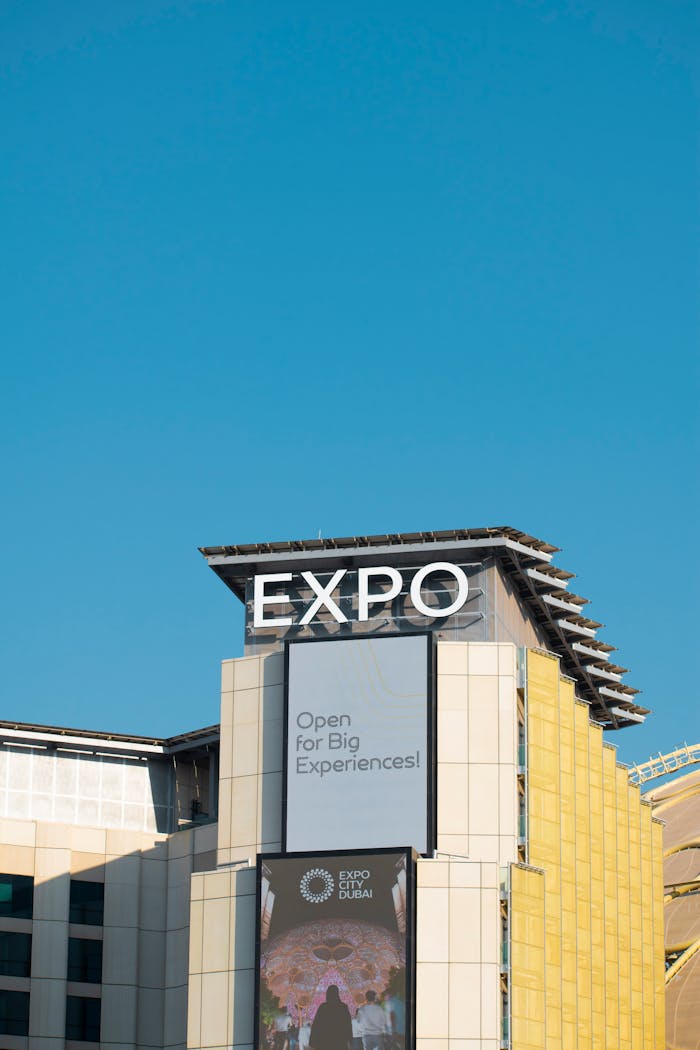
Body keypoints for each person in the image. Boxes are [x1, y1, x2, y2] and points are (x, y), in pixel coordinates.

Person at [309, 985, 353, 1050]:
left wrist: (312, 1042)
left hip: (324, 1042)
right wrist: (349, 1039)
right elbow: (348, 1024)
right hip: (340, 1041)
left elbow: (316, 1025)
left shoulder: (323, 1007)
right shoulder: (343, 1007)